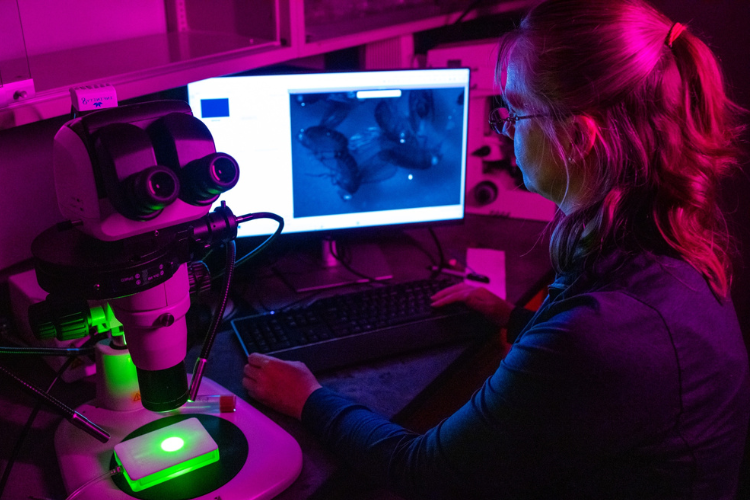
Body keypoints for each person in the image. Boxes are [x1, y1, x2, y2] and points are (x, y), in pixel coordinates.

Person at [242, 0, 750, 497]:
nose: (504, 129)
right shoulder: (669, 247)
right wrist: (513, 319)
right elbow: (610, 369)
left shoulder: (603, 334)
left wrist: (310, 398)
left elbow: (421, 471)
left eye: (514, 112)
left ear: (577, 137)